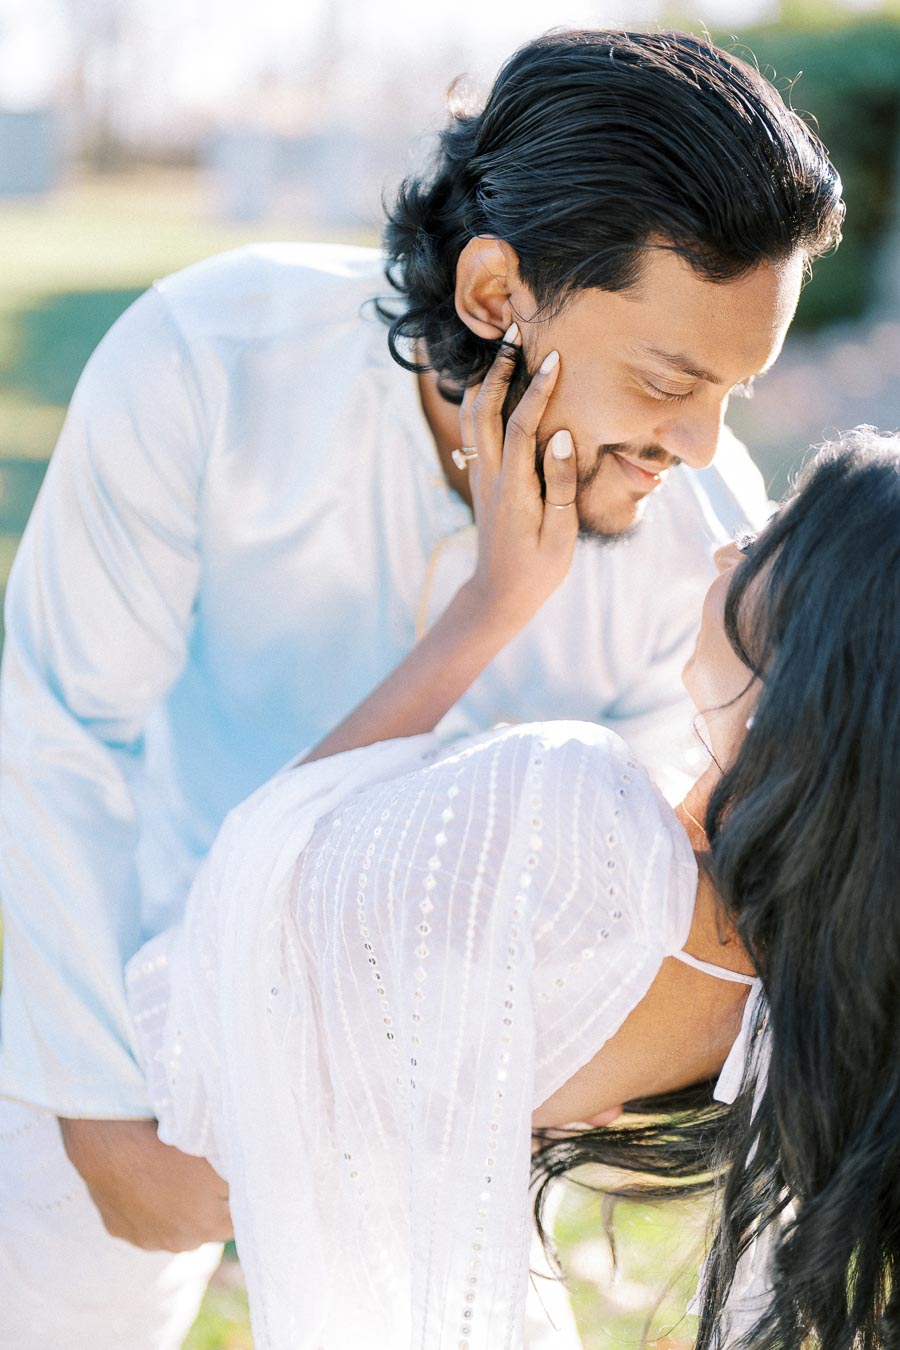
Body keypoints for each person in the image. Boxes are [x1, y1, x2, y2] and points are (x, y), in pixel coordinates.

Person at [0, 27, 843, 1349]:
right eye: (669, 380)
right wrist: (97, 1110)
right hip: (121, 981)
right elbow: (56, 732)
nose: (699, 447)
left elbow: (642, 899)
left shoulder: (703, 536)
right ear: (499, 291)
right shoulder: (206, 362)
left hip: (431, 1096)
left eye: (734, 392)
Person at [123, 401, 900, 1347]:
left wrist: (493, 604)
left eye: (777, 533)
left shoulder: (575, 819)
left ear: (823, 644)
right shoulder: (762, 1007)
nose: (729, 543)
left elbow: (253, 882)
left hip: (114, 1091)